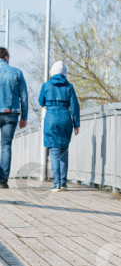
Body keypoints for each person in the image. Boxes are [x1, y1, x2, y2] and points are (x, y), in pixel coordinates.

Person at [38, 61, 80, 191]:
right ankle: (63, 182)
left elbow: (41, 101)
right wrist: (76, 124)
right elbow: (74, 106)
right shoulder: (69, 87)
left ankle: (56, 183)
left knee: (54, 153)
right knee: (64, 152)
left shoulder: (46, 85)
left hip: (51, 119)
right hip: (65, 119)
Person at [0, 47, 28, 188]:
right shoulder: (17, 73)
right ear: (6, 57)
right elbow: (23, 97)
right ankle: (3, 180)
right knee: (6, 146)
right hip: (11, 113)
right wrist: (24, 117)